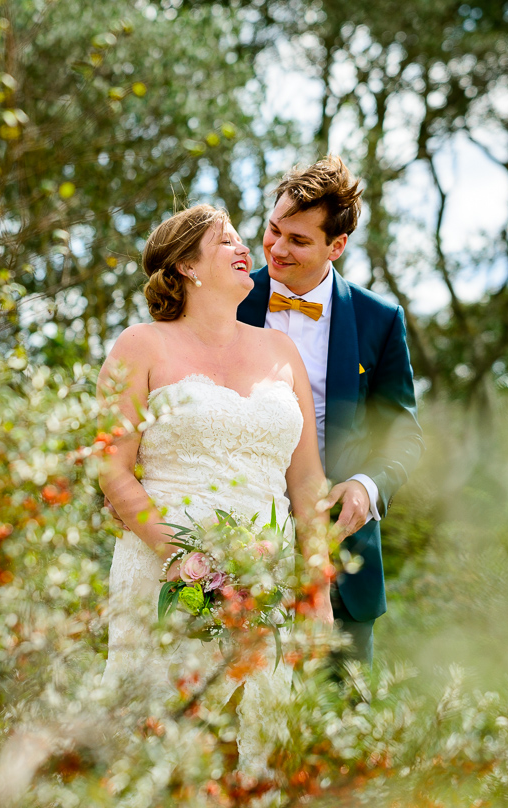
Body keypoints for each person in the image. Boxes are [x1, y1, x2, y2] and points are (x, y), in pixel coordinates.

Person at [98, 204, 329, 695]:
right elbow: (114, 470)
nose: (245, 248)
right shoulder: (139, 345)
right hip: (163, 572)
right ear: (186, 265)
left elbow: (308, 479)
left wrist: (318, 589)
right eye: (226, 240)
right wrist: (186, 562)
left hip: (266, 582)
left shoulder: (283, 351)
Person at [237, 155, 423, 668]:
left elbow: (403, 436)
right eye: (274, 230)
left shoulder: (379, 320)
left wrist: (367, 486)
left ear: (336, 246)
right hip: (234, 541)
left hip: (341, 556)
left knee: (339, 711)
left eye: (298, 240)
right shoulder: (227, 300)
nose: (277, 248)